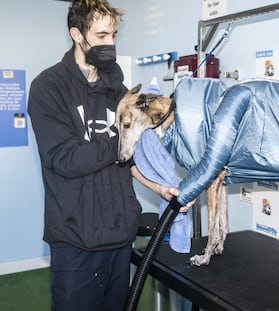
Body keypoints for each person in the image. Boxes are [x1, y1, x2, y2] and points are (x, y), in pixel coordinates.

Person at [28, 1, 190, 310]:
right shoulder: (48, 87)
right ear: (77, 34)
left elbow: (129, 159)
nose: (111, 43)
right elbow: (65, 159)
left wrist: (160, 188)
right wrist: (122, 136)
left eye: (114, 34)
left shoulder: (120, 92)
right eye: (102, 35)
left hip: (120, 236)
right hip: (76, 241)